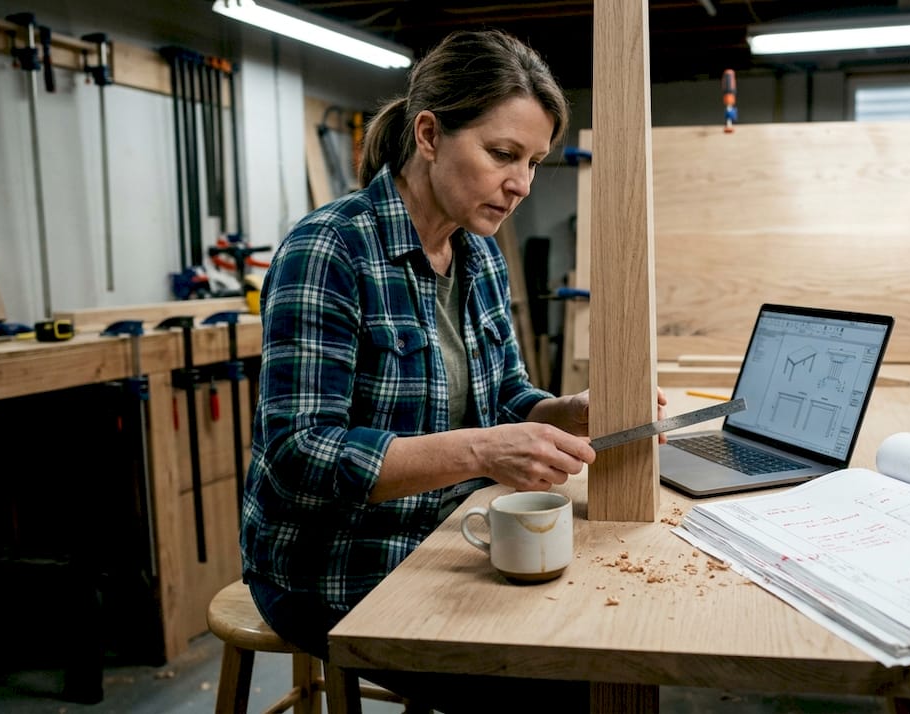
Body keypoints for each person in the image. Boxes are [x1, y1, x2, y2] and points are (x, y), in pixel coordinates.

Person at [240, 28, 664, 711]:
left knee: (620, 643)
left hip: (446, 532)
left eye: (533, 162)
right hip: (334, 570)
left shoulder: (477, 253)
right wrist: (482, 450)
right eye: (503, 154)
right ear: (430, 134)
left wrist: (565, 411)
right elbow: (299, 455)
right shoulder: (330, 251)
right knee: (569, 691)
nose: (522, 184)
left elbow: (505, 395)